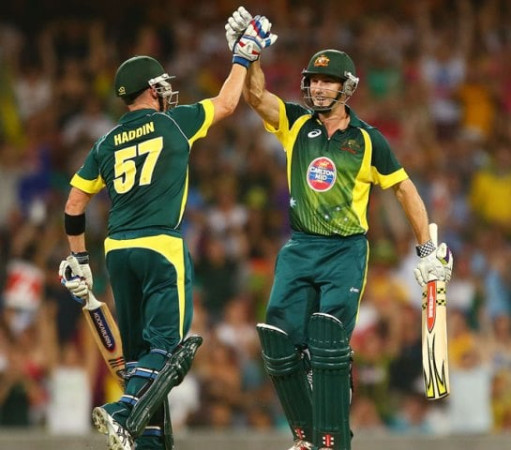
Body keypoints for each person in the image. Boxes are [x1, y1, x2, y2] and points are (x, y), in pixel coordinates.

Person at [226, 7, 453, 450]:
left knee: (328, 335)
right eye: (313, 80)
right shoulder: (295, 123)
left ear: (346, 88)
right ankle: (307, 434)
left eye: (327, 81)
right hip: (300, 246)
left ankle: (333, 427)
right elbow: (255, 96)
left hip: (345, 251)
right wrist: (248, 54)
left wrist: (426, 249)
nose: (317, 87)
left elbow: (404, 190)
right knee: (278, 340)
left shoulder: (367, 140)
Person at [58, 15, 277, 450]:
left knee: (140, 356)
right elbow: (227, 103)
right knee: (167, 348)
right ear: (152, 89)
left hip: (117, 251)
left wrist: (79, 259)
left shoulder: (104, 142)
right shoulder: (175, 122)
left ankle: (149, 440)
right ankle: (123, 410)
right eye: (161, 85)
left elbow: (74, 204)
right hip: (160, 245)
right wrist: (242, 56)